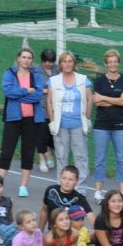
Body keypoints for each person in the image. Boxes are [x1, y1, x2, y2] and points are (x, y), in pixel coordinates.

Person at [0, 47, 46, 198]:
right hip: (13, 119)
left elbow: (38, 95)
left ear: (32, 60)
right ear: (18, 58)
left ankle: (23, 186)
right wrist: (26, 90)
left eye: (29, 58)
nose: (26, 60)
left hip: (32, 120)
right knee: (7, 151)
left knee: (28, 152)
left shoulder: (36, 76)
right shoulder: (9, 73)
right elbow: (8, 91)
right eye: (24, 57)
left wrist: (19, 95)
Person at [91, 49, 123, 203]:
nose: (113, 64)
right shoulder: (100, 80)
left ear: (119, 63)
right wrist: (115, 99)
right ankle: (98, 191)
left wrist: (104, 98)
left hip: (120, 126)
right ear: (106, 64)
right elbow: (97, 102)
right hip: (101, 126)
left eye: (115, 61)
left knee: (121, 158)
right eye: (110, 62)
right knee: (100, 158)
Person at [46, 52, 92, 183]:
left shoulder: (83, 80)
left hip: (78, 125)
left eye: (70, 61)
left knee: (81, 157)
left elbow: (89, 99)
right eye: (64, 61)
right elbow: (48, 101)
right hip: (61, 126)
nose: (67, 64)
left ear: (74, 63)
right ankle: (62, 186)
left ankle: (80, 187)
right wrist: (52, 121)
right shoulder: (53, 81)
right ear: (60, 64)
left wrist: (87, 118)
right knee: (61, 157)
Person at [34, 49, 59, 174]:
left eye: (51, 61)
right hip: (41, 107)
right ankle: (42, 159)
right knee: (41, 135)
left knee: (53, 135)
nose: (49, 64)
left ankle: (50, 153)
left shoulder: (57, 69)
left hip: (55, 108)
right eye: (46, 61)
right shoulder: (36, 70)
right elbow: (33, 88)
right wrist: (45, 91)